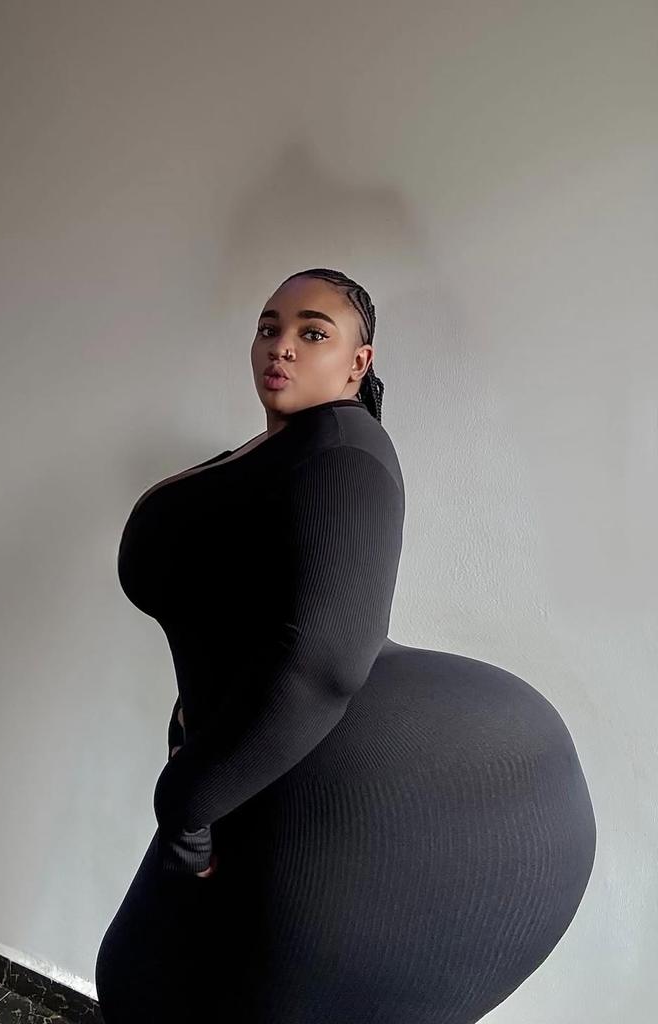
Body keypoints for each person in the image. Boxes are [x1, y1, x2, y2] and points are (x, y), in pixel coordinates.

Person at [95, 268, 596, 1024]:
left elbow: (324, 662)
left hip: (330, 780)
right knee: (148, 984)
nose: (282, 346)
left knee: (155, 988)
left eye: (312, 332)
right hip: (255, 765)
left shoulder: (345, 453)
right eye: (269, 328)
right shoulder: (290, 448)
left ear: (358, 362)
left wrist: (188, 804)